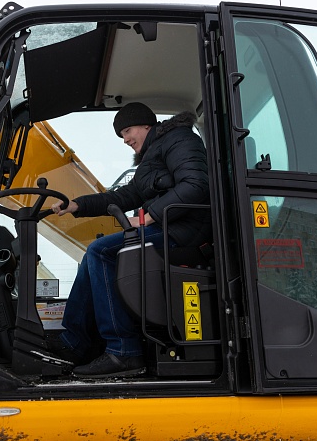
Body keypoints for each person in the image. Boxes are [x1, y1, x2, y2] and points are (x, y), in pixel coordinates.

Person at [50, 102, 211, 378]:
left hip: (186, 232)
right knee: (93, 255)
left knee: (102, 252)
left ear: (146, 124)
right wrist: (77, 205)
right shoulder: (152, 158)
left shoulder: (179, 140)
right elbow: (123, 197)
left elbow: (196, 184)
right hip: (170, 227)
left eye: (127, 130)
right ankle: (75, 345)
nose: (125, 140)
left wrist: (149, 217)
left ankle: (123, 351)